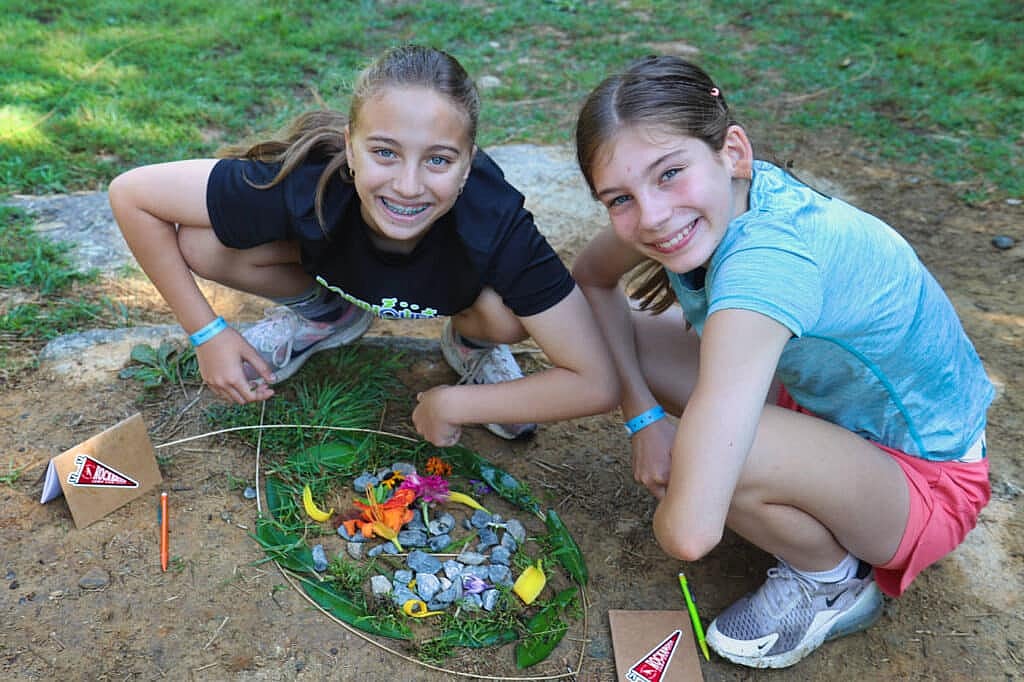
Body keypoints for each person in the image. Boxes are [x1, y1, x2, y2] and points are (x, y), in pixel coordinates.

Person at [571, 56, 993, 668]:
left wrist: (685, 474)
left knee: (713, 459)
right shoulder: (705, 202)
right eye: (620, 198)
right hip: (823, 410)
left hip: (928, 480)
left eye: (670, 173)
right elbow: (590, 279)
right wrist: (642, 418)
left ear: (733, 152)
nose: (652, 216)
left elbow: (688, 534)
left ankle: (831, 581)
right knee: (611, 343)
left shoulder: (769, 259)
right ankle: (795, 486)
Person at [109, 45, 618, 446]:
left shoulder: (498, 220)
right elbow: (132, 194)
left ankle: (471, 348)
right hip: (336, 271)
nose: (408, 186)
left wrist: (454, 405)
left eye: (439, 160)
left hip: (462, 301)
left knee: (510, 315)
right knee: (204, 244)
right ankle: (326, 316)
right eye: (384, 153)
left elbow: (595, 382)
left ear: (469, 164)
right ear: (350, 146)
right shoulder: (308, 181)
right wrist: (208, 333)